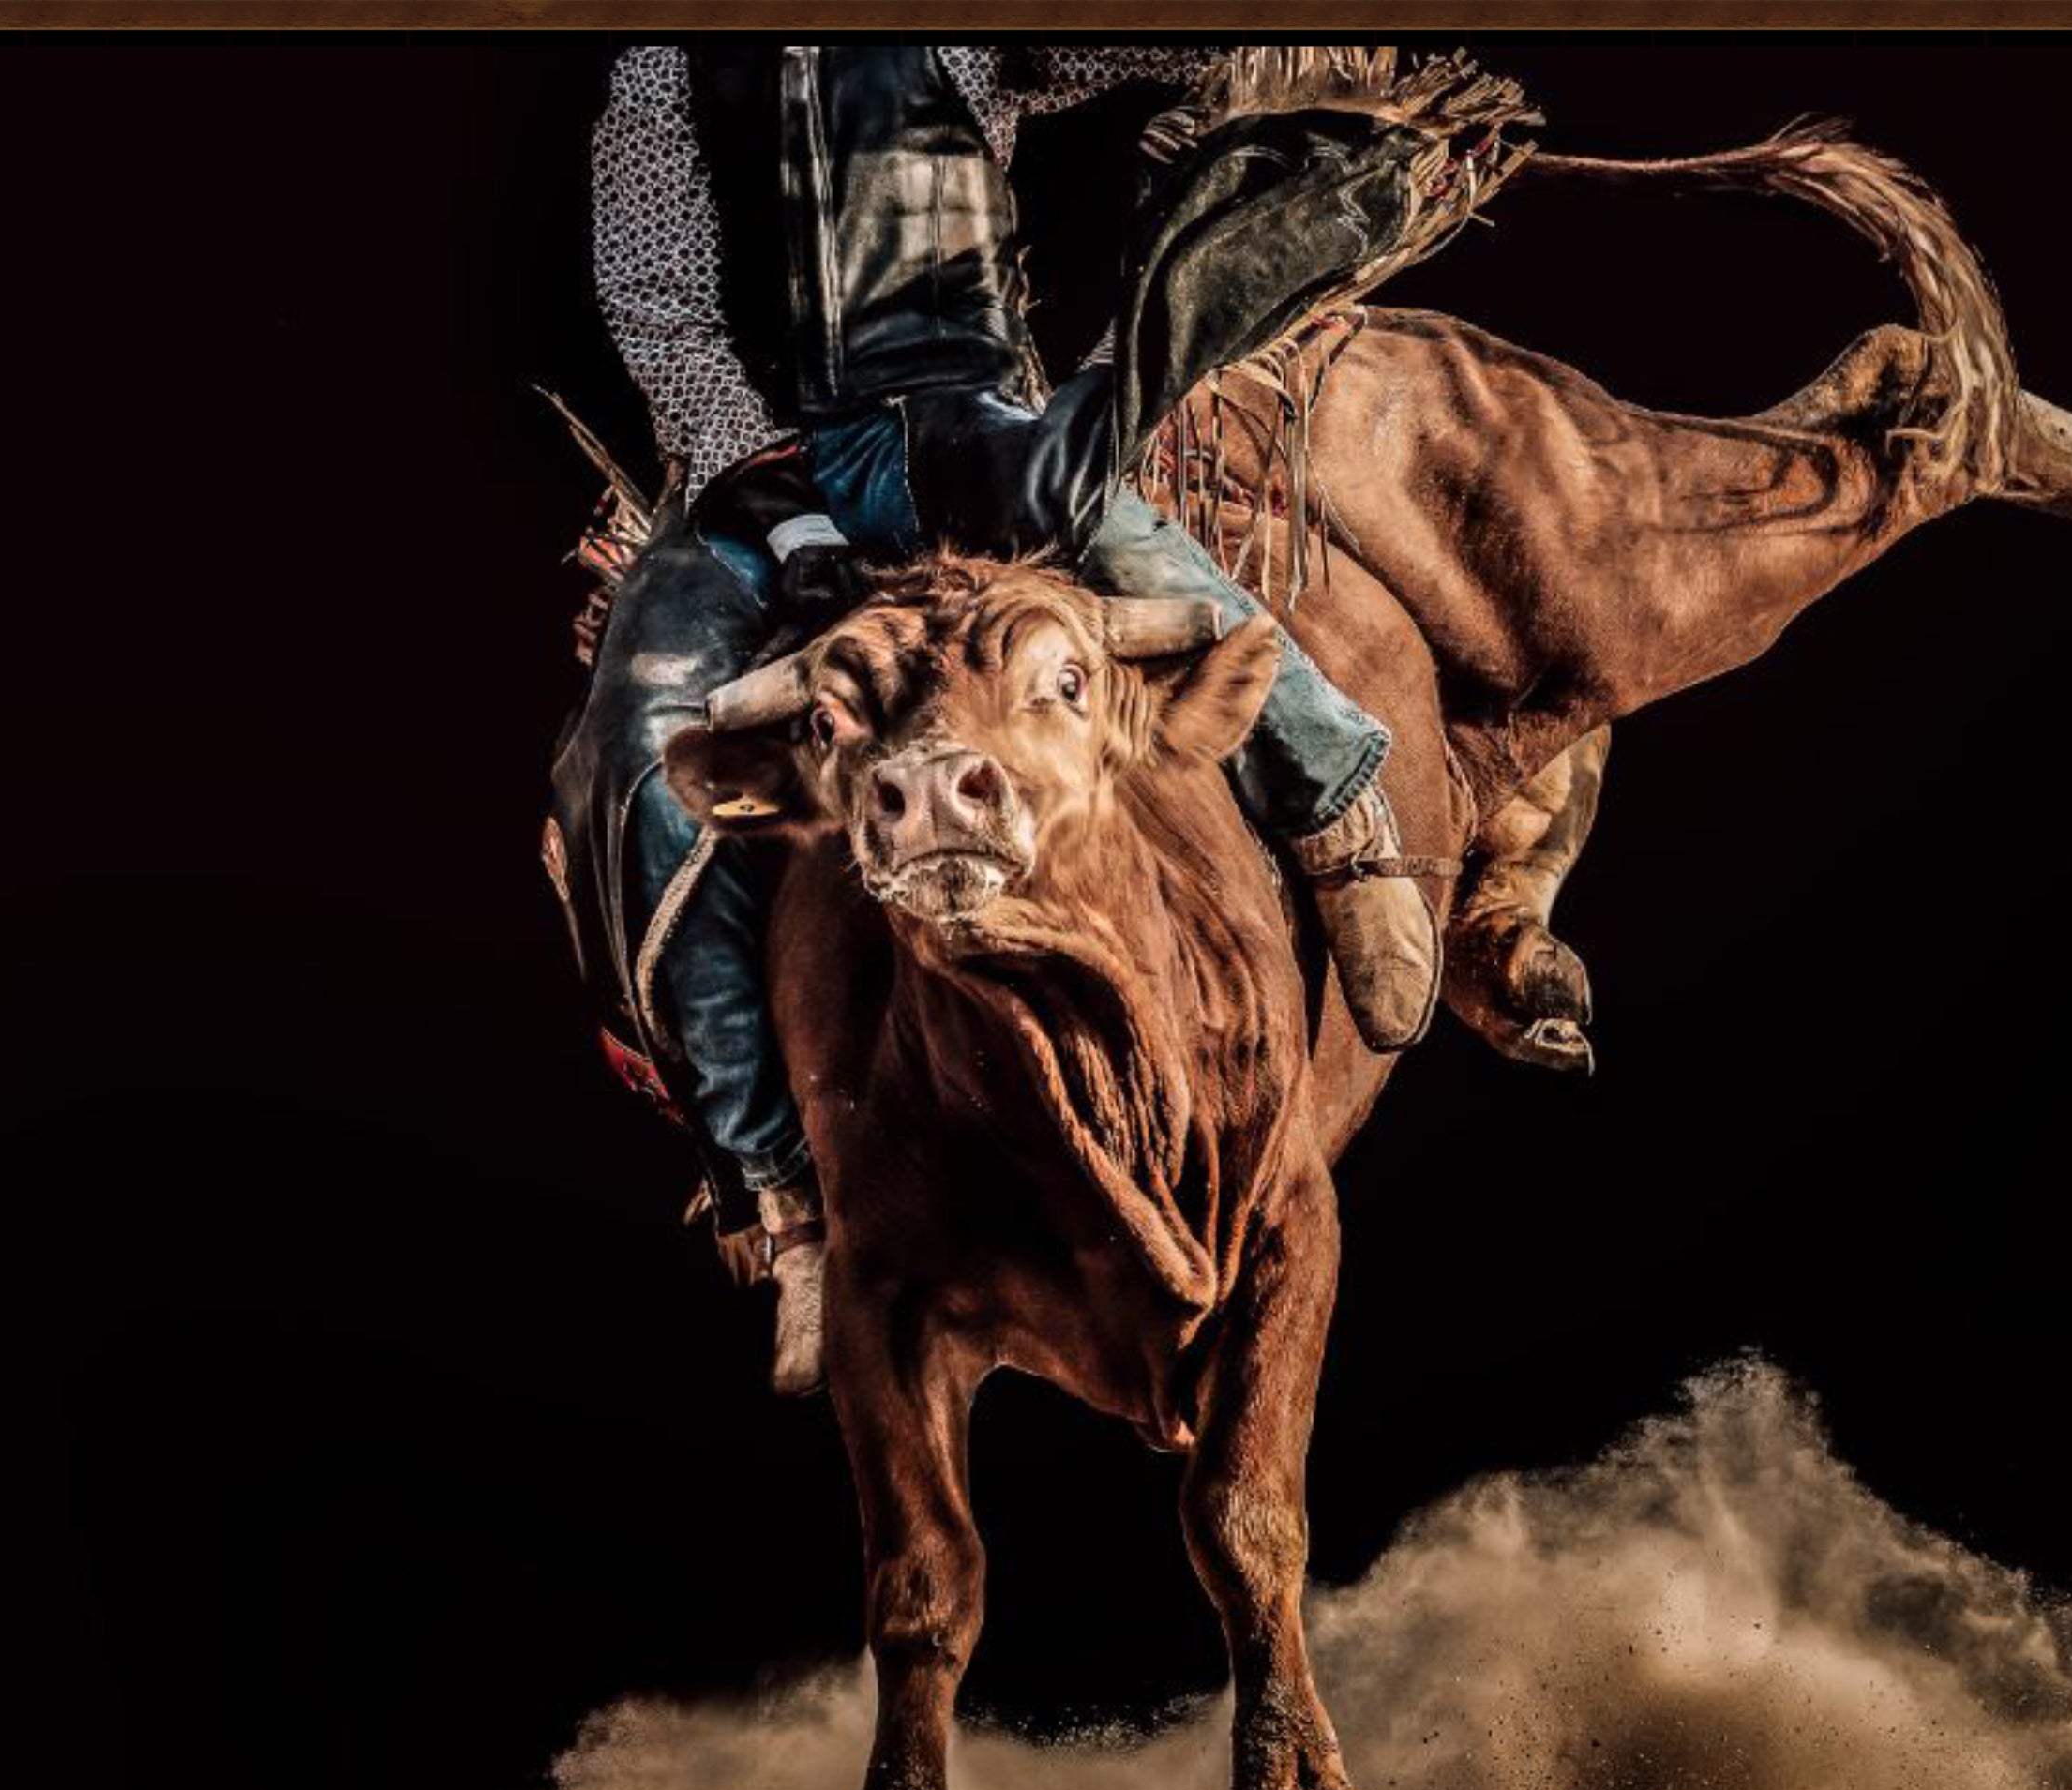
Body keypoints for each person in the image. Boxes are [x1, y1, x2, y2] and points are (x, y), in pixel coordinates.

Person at [563, 40, 1456, 1397]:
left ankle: (1339, 818)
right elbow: (667, 321)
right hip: (768, 470)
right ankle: (777, 1193)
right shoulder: (663, 79)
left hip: (976, 414)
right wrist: (791, 517)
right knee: (639, 734)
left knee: (1144, 561)